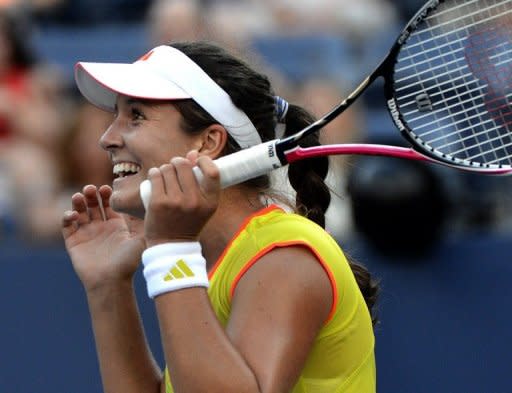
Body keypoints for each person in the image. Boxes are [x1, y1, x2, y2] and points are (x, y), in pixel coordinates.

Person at [61, 41, 378, 393]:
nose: (107, 138)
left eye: (136, 115)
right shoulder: (220, 263)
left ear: (208, 143)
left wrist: (171, 248)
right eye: (115, 117)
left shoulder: (284, 255)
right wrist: (108, 287)